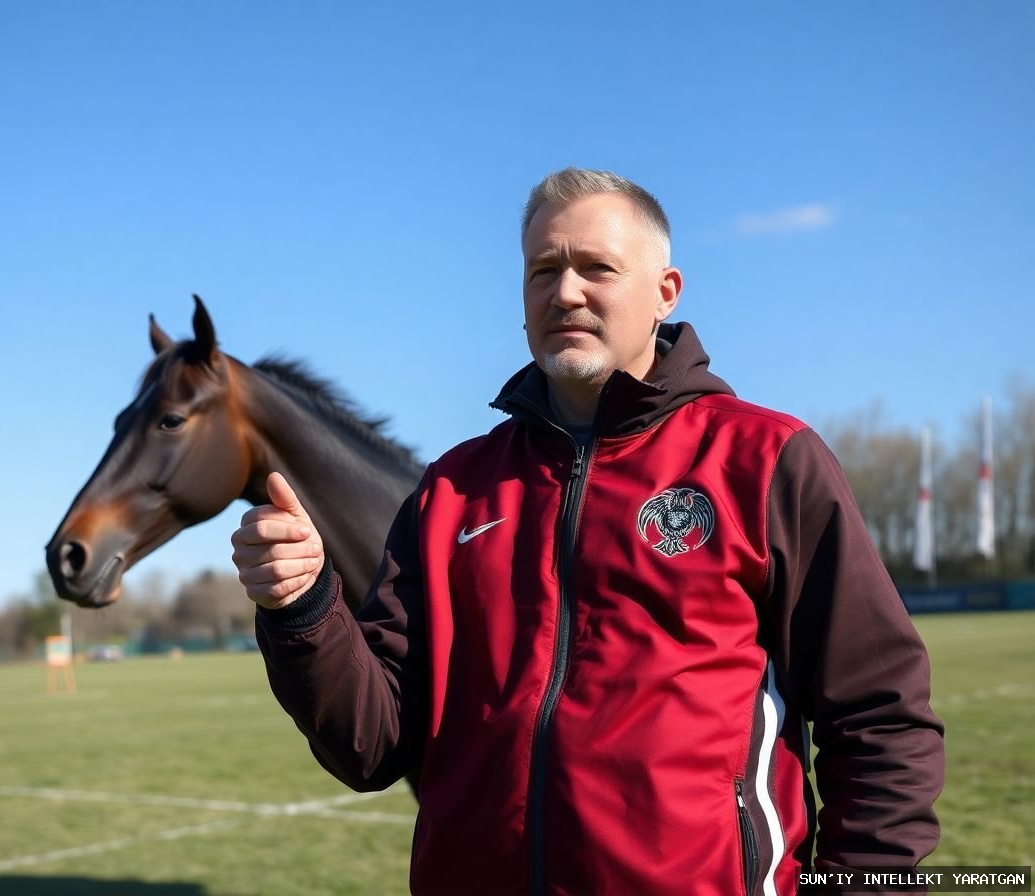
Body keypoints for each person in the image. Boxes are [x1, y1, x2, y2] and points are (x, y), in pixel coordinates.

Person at [231, 168, 944, 895]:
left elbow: (878, 714)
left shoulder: (764, 460)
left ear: (666, 291)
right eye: (543, 271)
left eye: (596, 268)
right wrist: (305, 606)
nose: (564, 292)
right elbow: (370, 745)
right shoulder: (452, 490)